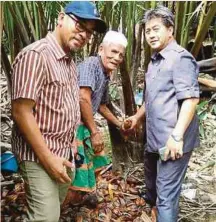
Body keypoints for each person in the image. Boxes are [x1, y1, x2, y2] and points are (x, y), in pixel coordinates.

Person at [11, 2, 107, 221]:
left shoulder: (70, 63)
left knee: (55, 206)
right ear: (61, 18)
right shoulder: (36, 55)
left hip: (64, 151)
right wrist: (48, 158)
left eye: (89, 32)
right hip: (37, 153)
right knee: (45, 216)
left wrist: (72, 143)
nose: (84, 35)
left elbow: (66, 105)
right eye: (80, 25)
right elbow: (20, 112)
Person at [123, 6, 200, 222]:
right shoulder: (155, 60)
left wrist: (177, 136)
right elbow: (152, 99)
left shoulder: (180, 59)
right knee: (153, 191)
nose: (151, 35)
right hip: (154, 139)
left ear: (170, 29)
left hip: (172, 140)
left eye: (156, 29)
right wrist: (137, 118)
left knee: (166, 196)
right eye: (147, 31)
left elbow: (191, 99)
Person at [68, 31, 127, 208]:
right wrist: (95, 132)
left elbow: (101, 105)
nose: (117, 58)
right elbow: (83, 98)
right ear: (101, 49)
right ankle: (62, 207)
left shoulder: (105, 73)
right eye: (114, 52)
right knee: (75, 172)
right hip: (72, 126)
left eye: (121, 55)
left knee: (94, 165)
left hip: (83, 126)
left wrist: (119, 124)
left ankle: (77, 202)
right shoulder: (91, 65)